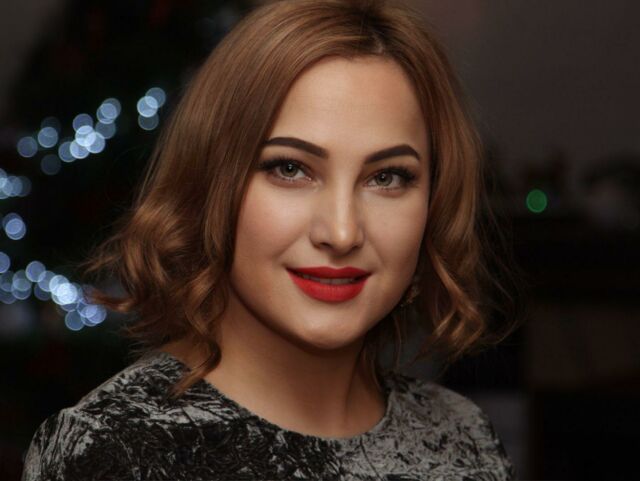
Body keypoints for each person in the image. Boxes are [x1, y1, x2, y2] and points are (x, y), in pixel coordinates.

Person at [22, 0, 525, 479]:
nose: (342, 232)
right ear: (212, 185)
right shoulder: (110, 451)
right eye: (290, 169)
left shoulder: (463, 437)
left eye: (387, 177)